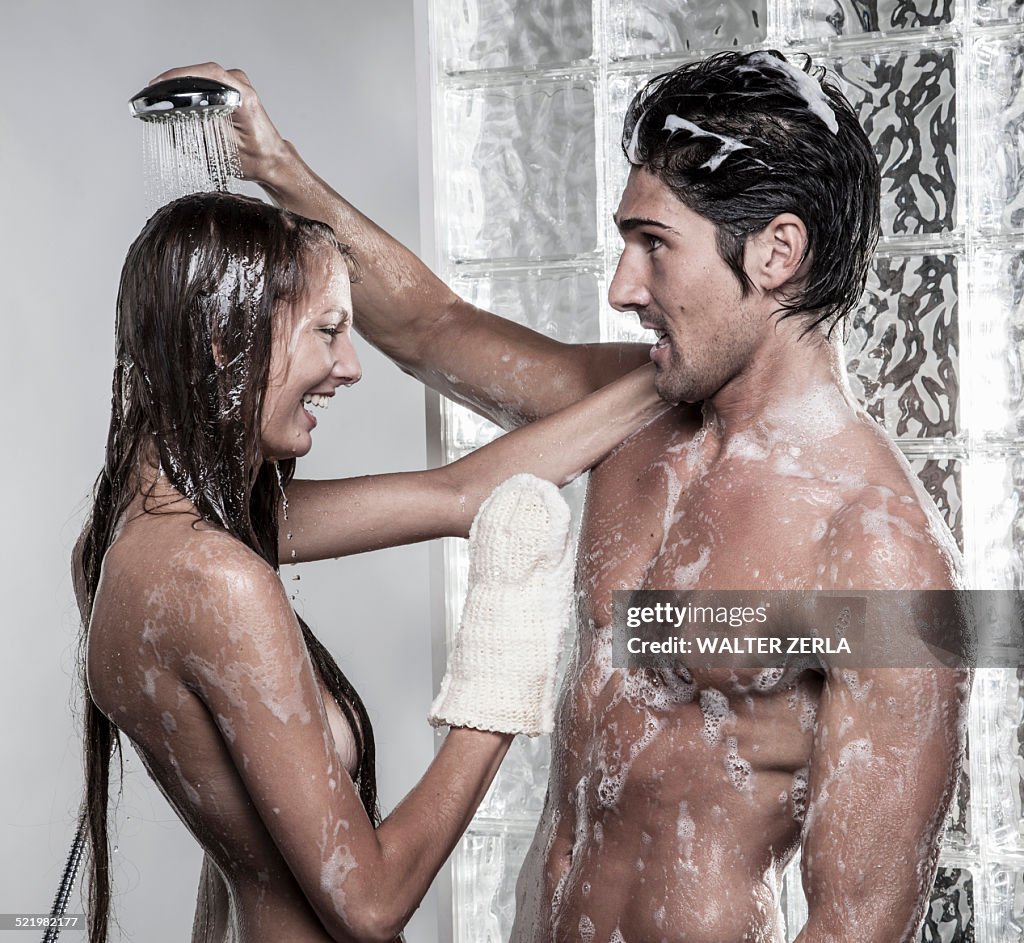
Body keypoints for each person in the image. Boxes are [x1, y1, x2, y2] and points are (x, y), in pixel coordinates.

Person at [155, 50, 971, 942]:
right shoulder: (637, 409)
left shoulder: (883, 555)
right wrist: (274, 166)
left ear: (778, 251)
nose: (622, 288)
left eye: (654, 245)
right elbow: (435, 328)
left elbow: (855, 926)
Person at [74, 191, 669, 943]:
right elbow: (371, 903)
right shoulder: (216, 581)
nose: (349, 368)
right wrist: (505, 658)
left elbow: (455, 495)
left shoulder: (114, 545)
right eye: (328, 333)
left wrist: (676, 369)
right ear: (226, 340)